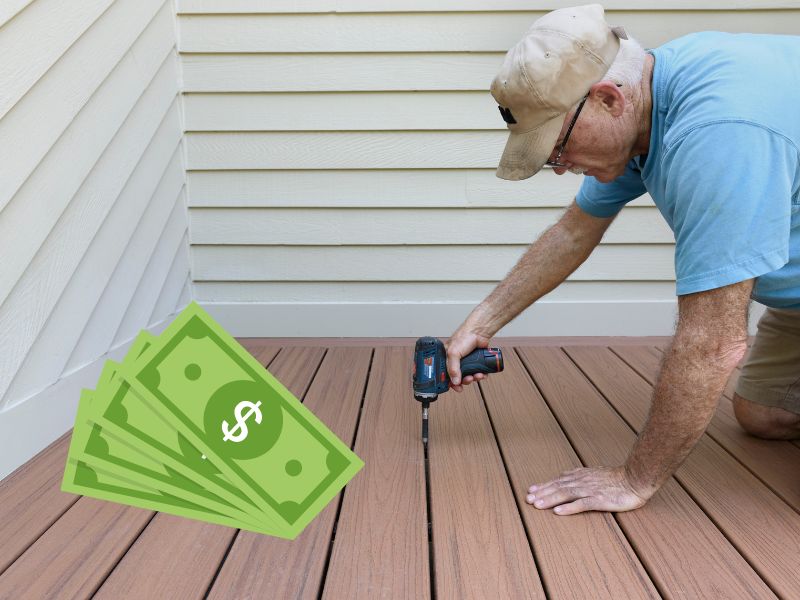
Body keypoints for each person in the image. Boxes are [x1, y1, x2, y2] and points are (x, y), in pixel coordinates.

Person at [445, 3, 800, 516]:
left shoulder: (717, 135)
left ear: (608, 98)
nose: (561, 168)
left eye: (558, 148)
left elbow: (714, 344)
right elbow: (573, 231)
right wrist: (480, 324)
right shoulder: (649, 102)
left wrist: (634, 479)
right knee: (764, 415)